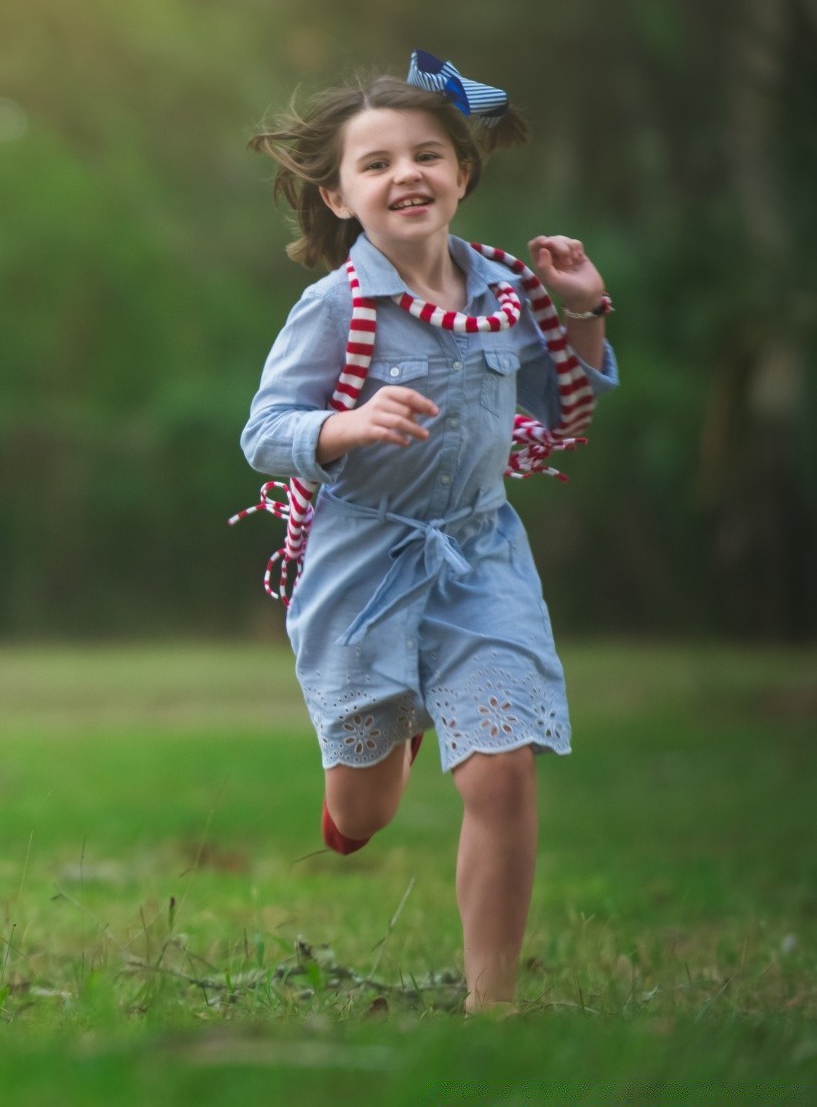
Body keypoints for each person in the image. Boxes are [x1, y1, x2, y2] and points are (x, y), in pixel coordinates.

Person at [238, 52, 620, 1012]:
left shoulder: (504, 288)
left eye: (428, 154)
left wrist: (582, 312)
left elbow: (562, 404)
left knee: (501, 771)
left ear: (461, 173)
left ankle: (493, 1005)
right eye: (376, 164)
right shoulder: (334, 309)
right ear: (337, 196)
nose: (406, 173)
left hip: (480, 553)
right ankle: (380, 750)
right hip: (362, 564)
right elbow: (265, 433)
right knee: (361, 811)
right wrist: (349, 424)